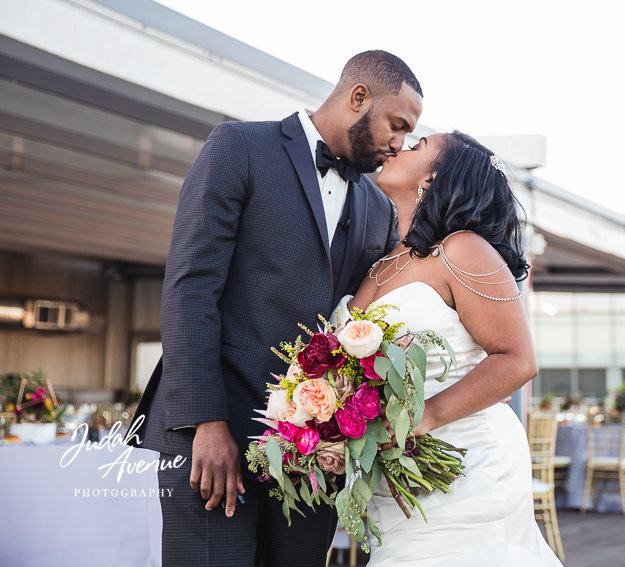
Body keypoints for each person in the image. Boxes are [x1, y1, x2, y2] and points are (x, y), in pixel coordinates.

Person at [132, 51, 423, 567]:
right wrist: (207, 422)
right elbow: (190, 289)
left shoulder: (379, 210)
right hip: (211, 439)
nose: (399, 144)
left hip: (315, 454)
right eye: (396, 125)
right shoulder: (240, 147)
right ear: (358, 98)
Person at [341, 132, 563, 565]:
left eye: (417, 145)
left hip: (468, 461)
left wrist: (426, 417)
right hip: (396, 472)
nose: (398, 146)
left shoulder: (463, 250)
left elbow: (517, 360)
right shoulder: (382, 264)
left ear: (434, 176)